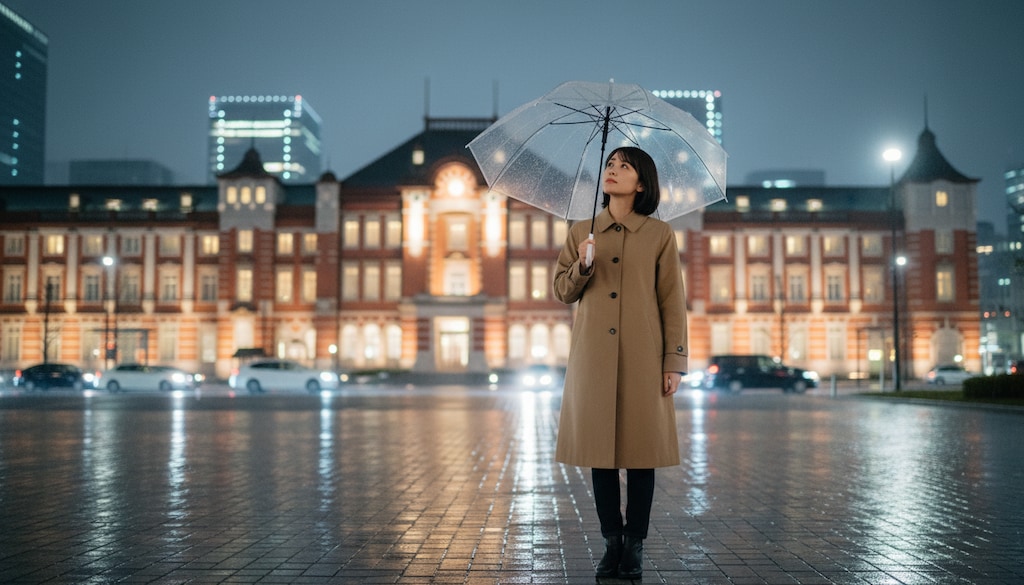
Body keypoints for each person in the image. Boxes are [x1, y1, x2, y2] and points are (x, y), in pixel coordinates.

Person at [552, 146, 687, 579]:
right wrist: (583, 265)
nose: (612, 170)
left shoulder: (659, 234)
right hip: (593, 356)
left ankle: (635, 546)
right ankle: (612, 543)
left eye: (623, 166)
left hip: (644, 356)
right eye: (609, 164)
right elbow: (562, 291)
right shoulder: (581, 231)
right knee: (601, 455)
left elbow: (672, 301)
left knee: (642, 455)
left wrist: (674, 361)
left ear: (641, 183)